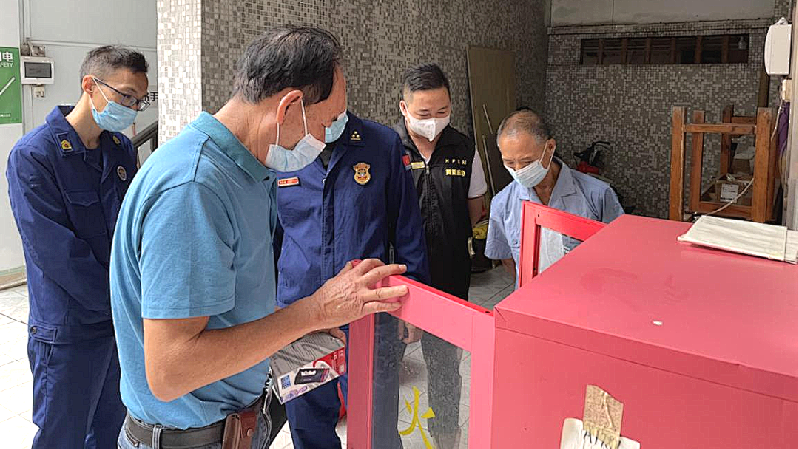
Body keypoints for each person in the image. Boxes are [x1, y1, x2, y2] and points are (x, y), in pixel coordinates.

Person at [110, 26, 409, 449]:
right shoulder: (194, 187)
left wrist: (289, 328)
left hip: (237, 424)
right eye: (326, 123)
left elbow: (226, 305)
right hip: (191, 438)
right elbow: (170, 370)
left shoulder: (250, 172)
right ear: (289, 107)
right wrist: (313, 311)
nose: (327, 138)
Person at [5, 46, 149, 449]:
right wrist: (120, 300)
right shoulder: (34, 155)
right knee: (63, 435)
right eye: (125, 96)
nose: (132, 108)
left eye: (140, 100)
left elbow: (132, 229)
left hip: (118, 325)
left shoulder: (120, 149)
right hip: (69, 327)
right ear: (90, 85)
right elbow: (56, 252)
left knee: (112, 429)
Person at [275, 106, 429, 448]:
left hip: (367, 315)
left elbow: (407, 229)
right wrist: (267, 314)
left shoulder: (381, 144)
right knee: (308, 424)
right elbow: (269, 237)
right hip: (301, 318)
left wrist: (415, 304)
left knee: (375, 426)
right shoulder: (282, 147)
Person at [393, 63, 488, 449]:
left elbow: (475, 207)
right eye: (424, 113)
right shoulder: (387, 149)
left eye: (442, 111)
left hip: (450, 275)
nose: (434, 120)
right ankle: (382, 437)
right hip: (398, 278)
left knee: (446, 364)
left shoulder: (464, 148)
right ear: (404, 108)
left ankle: (446, 438)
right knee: (386, 363)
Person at [485, 109, 624, 284]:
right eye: (509, 163)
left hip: (586, 294)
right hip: (532, 295)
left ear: (550, 147)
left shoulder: (597, 195)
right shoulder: (502, 203)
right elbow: (508, 260)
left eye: (527, 162)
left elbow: (617, 255)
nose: (519, 170)